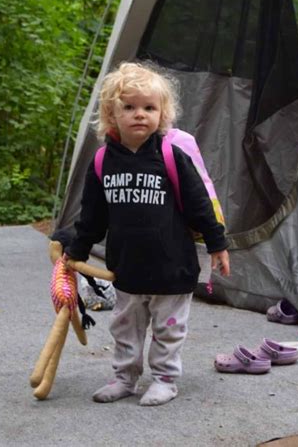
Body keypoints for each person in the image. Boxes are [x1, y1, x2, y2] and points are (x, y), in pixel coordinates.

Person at [65, 61, 230, 406]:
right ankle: (125, 378)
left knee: (168, 330)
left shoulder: (170, 154)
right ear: (112, 114)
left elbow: (200, 204)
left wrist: (218, 243)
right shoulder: (102, 162)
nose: (140, 114)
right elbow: (92, 216)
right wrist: (76, 252)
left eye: (149, 108)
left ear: (162, 113)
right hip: (127, 270)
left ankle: (165, 379)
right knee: (125, 329)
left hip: (173, 267)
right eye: (129, 107)